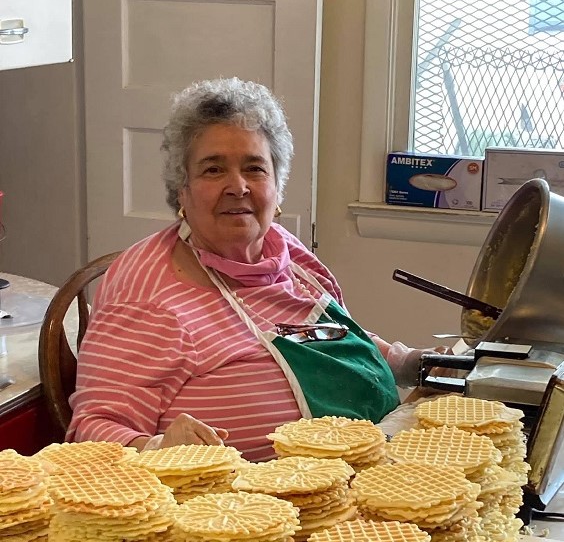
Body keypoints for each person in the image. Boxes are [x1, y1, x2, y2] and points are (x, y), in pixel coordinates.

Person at [67, 77, 442, 461]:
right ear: (182, 190)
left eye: (255, 168)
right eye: (213, 170)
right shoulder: (146, 292)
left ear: (277, 188)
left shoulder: (290, 253)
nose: (238, 186)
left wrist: (407, 363)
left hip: (369, 465)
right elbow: (93, 430)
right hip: (243, 493)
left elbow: (331, 340)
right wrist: (159, 448)